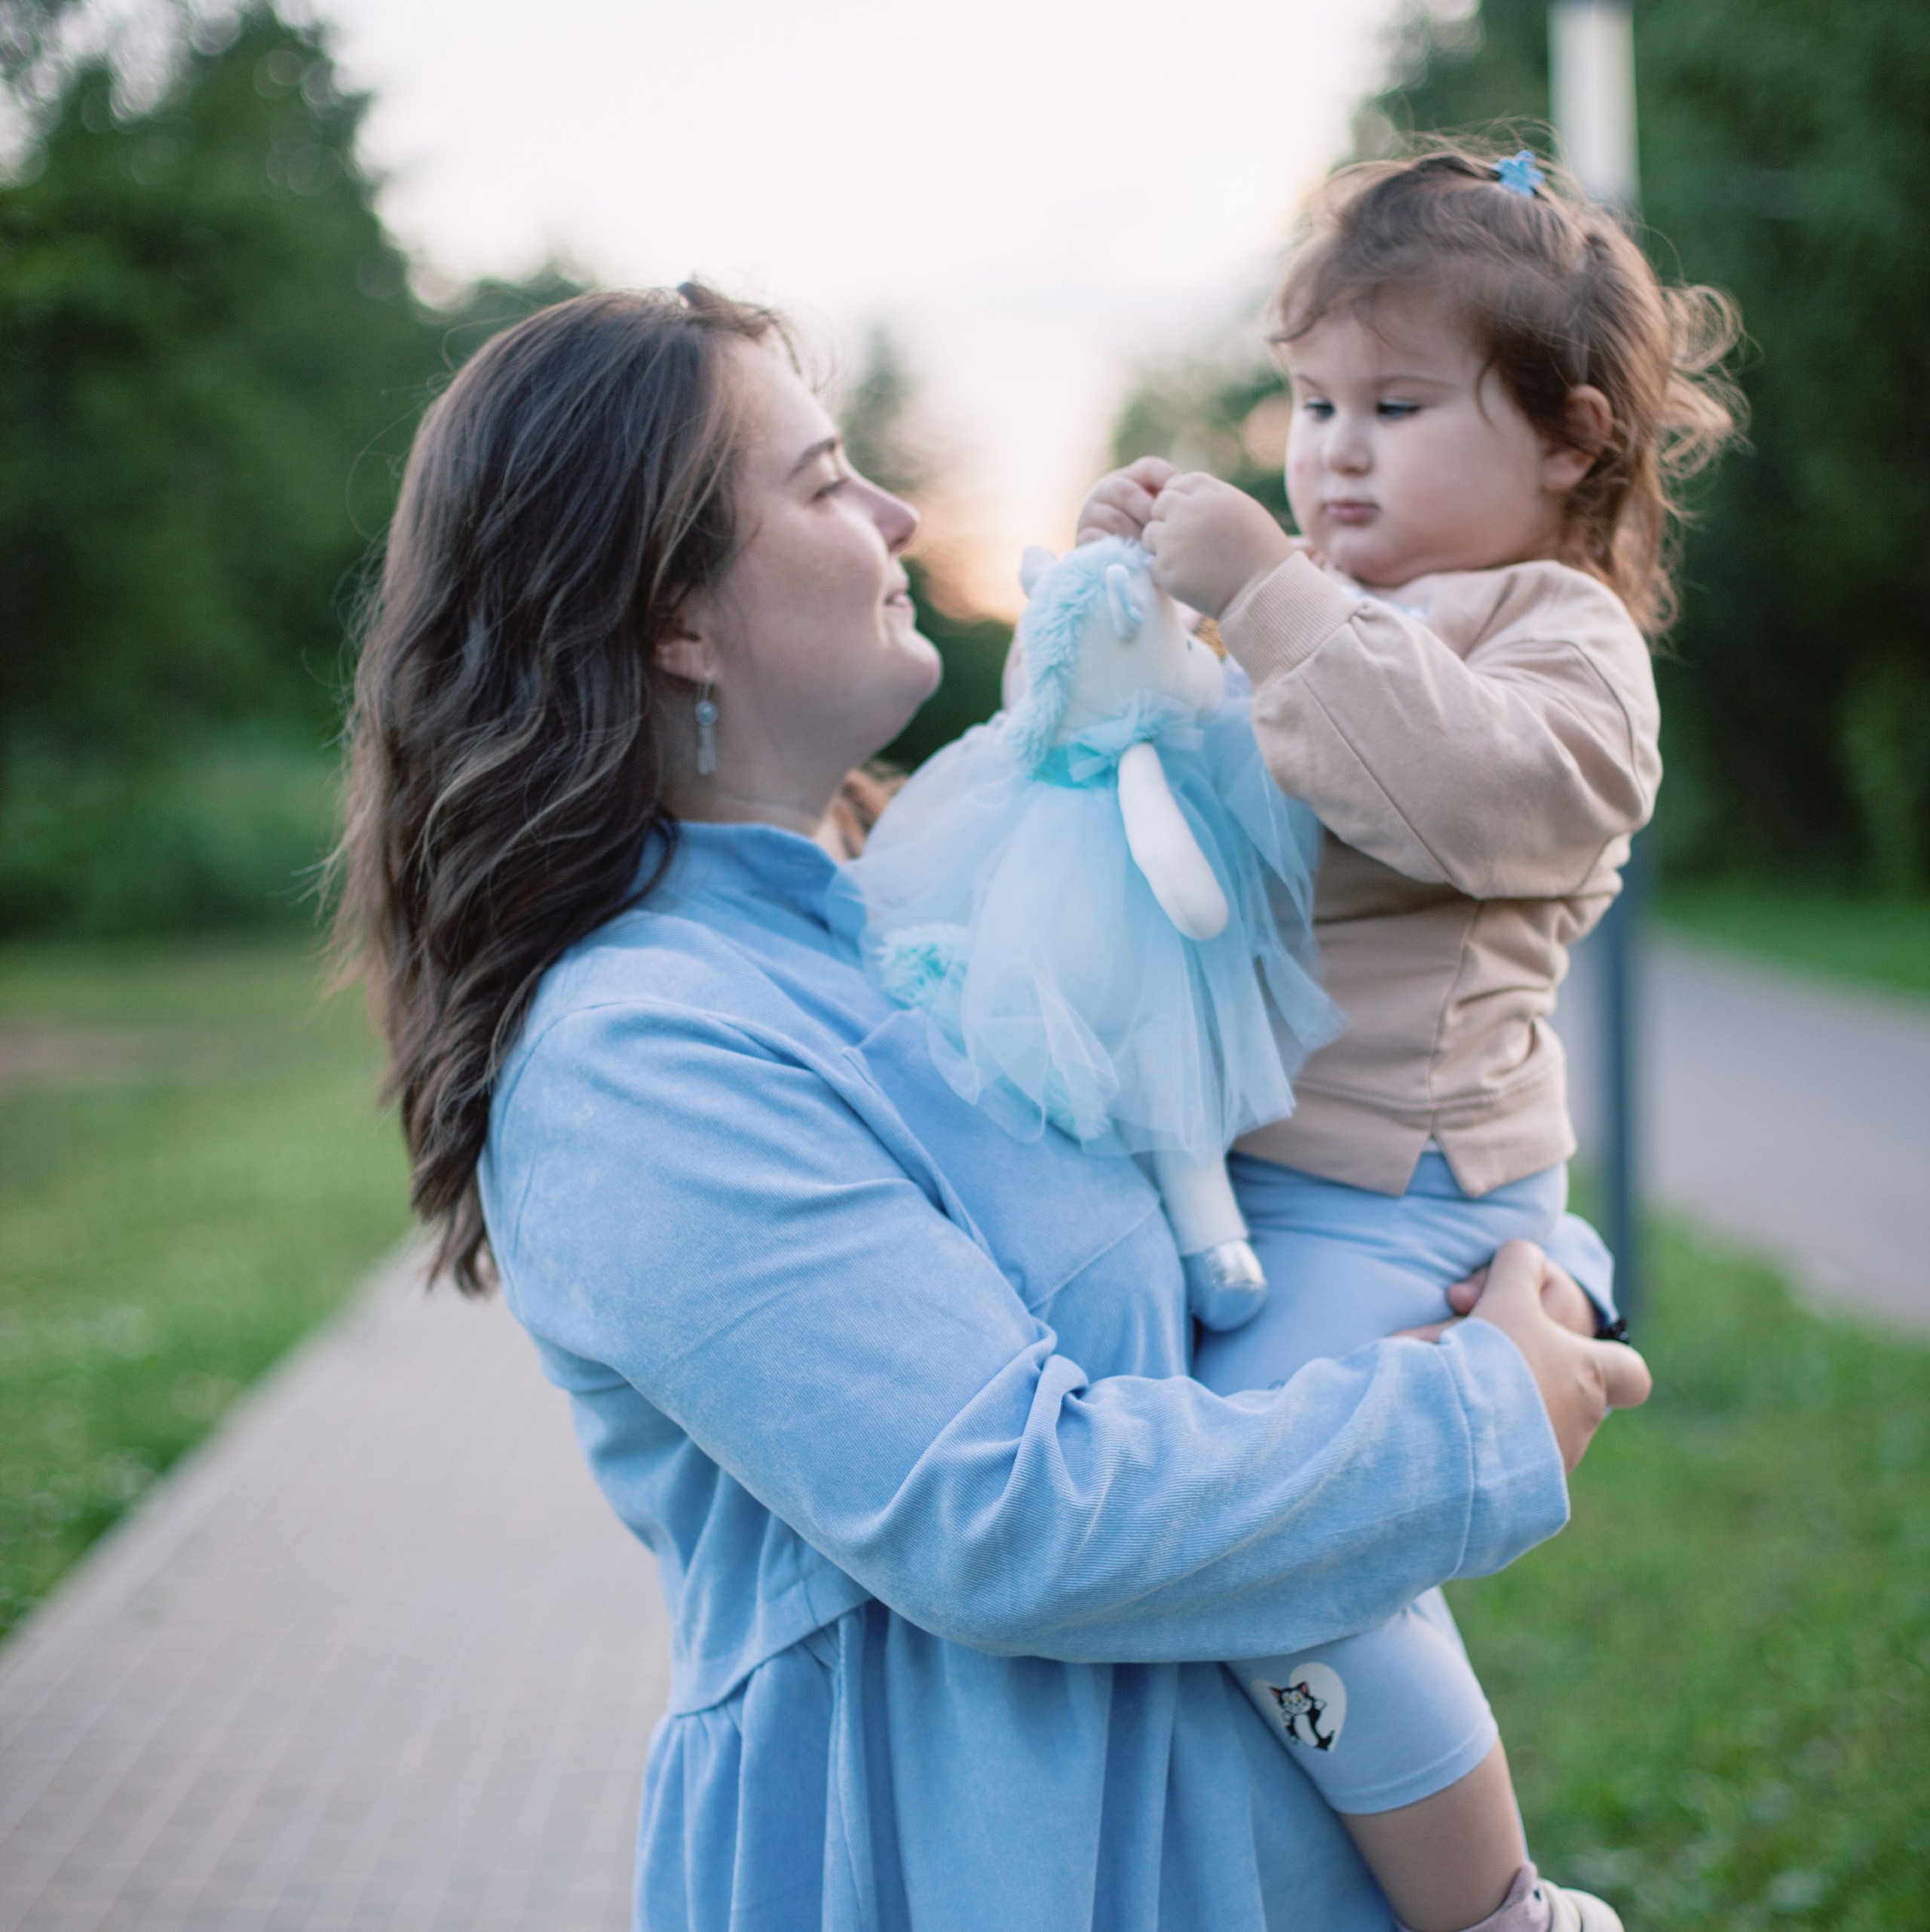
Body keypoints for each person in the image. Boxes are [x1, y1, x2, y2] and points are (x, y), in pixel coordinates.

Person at [333, 281, 1650, 1932]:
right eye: (825, 483)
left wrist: (1515, 1262)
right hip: (954, 1865)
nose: (895, 514)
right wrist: (1479, 1413)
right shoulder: (638, 1051)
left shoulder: (929, 921)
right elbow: (1003, 1514)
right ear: (674, 615)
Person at [1080, 145, 1741, 1932]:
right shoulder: (1311, 617)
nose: (1331, 454)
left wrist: (1265, 596)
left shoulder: (1563, 640)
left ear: (1569, 440)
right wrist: (1128, 612)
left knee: (1268, 1524)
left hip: (1405, 1198)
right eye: (1309, 405)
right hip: (1253, 1187)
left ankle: (1492, 1904)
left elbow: (1448, 786)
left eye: (1393, 405)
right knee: (1194, 1518)